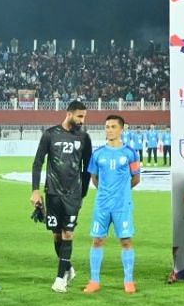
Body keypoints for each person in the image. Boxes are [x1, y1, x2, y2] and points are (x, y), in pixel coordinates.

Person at [32, 101, 93, 293]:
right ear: (69, 114)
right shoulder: (50, 134)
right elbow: (37, 163)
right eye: (80, 116)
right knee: (57, 235)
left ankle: (60, 279)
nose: (82, 121)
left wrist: (81, 194)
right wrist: (35, 190)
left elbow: (87, 169)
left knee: (68, 233)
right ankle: (68, 268)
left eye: (84, 117)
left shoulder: (84, 137)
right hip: (52, 193)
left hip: (73, 195)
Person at [85, 114, 142, 294]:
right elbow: (94, 178)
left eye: (113, 127)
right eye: (107, 127)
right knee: (97, 240)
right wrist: (105, 193)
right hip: (102, 205)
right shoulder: (98, 153)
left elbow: (136, 178)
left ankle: (129, 281)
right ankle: (94, 281)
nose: (109, 130)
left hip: (121, 206)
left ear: (121, 129)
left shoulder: (130, 153)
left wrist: (121, 192)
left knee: (126, 241)